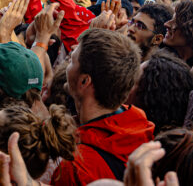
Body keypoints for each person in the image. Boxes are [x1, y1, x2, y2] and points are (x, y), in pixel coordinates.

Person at [53, 28, 154, 186]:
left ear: (84, 81)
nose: (66, 64)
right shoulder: (142, 125)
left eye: (72, 60)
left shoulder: (75, 168)